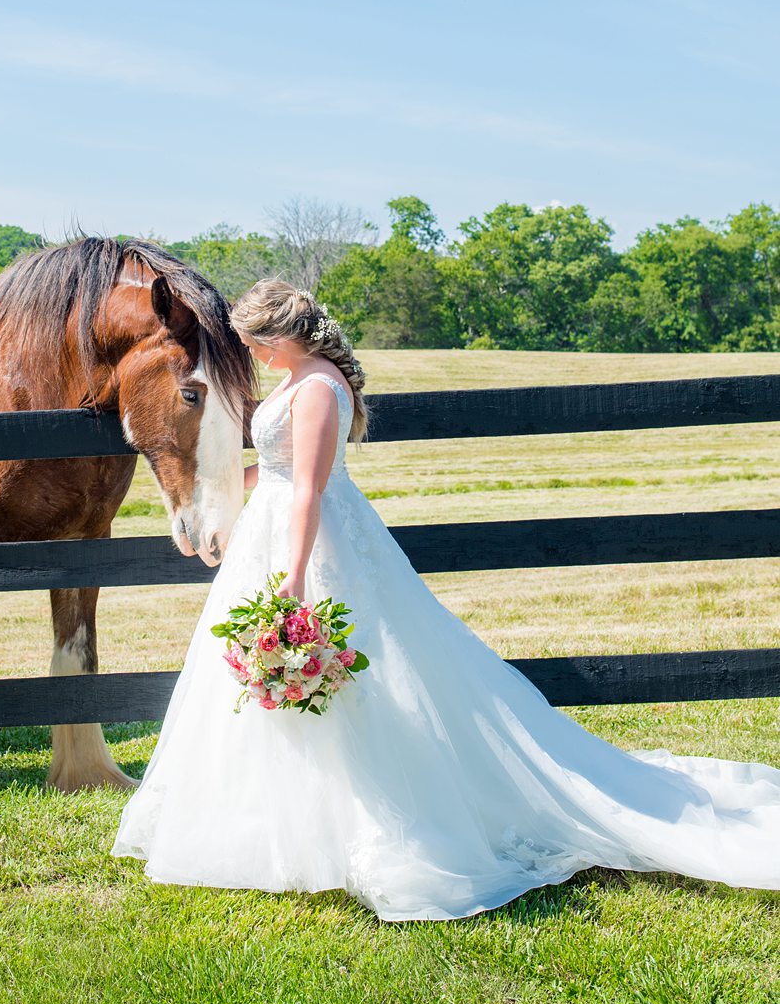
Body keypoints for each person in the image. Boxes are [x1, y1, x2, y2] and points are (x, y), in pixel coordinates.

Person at [111, 280, 780, 922]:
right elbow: (279, 474)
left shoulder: (317, 388)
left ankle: (375, 823)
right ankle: (272, 822)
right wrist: (218, 496)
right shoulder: (295, 380)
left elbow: (310, 488)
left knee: (357, 682)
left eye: (256, 342)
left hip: (311, 544)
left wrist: (293, 577)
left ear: (281, 333)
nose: (251, 354)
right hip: (271, 530)